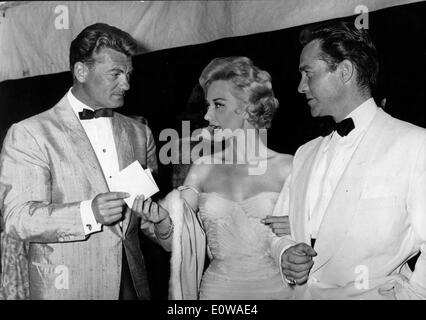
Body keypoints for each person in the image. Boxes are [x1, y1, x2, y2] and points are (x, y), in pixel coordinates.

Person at [0, 23, 158, 300]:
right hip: (68, 289)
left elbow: (143, 215)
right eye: (116, 74)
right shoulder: (30, 134)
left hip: (133, 285)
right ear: (81, 71)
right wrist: (88, 213)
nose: (127, 84)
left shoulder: (139, 133)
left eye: (128, 74)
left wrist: (166, 226)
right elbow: (18, 219)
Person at [271, 20, 426, 299]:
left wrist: (412, 295)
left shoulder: (415, 144)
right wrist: (284, 252)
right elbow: (278, 230)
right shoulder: (305, 153)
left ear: (344, 71)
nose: (300, 87)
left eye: (308, 74)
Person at [134, 56, 294, 299]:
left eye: (218, 105)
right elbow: (172, 241)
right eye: (208, 106)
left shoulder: (288, 166)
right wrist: (162, 221)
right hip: (217, 293)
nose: (207, 116)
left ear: (248, 106)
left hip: (280, 290)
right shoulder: (203, 167)